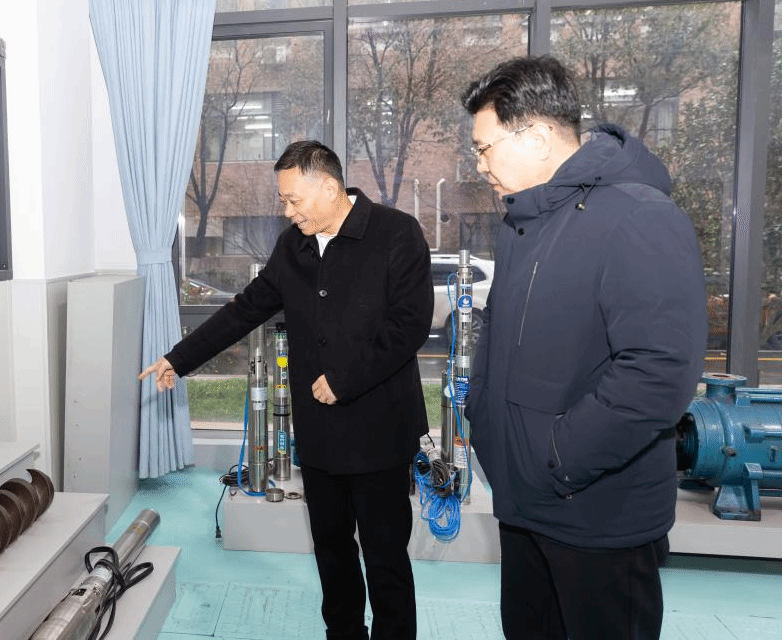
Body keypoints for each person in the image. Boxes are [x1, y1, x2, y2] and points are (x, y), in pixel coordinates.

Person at [139, 140, 433, 640]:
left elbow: (409, 326)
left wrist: (345, 379)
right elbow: (245, 309)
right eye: (283, 201)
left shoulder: (396, 233)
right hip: (319, 434)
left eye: (294, 199)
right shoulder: (293, 246)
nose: (288, 211)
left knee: (385, 559)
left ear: (331, 188)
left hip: (380, 431)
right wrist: (178, 358)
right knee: (332, 554)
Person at [460, 55, 707, 640]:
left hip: (598, 513)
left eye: (485, 147)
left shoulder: (640, 217)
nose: (480, 164)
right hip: (524, 504)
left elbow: (657, 373)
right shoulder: (523, 222)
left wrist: (558, 457)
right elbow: (502, 339)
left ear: (537, 137)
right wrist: (486, 423)